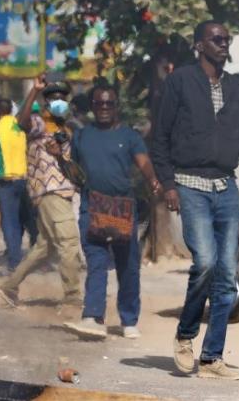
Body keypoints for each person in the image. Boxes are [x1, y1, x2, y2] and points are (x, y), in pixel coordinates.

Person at [152, 21, 239, 380]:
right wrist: (168, 184)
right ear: (199, 45)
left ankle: (212, 357)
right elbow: (161, 135)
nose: (223, 44)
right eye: (217, 39)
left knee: (227, 276)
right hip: (190, 186)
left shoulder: (233, 87)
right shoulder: (180, 82)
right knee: (207, 263)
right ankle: (185, 336)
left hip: (226, 188)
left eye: (226, 40)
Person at [63, 84, 161, 340]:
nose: (104, 108)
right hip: (91, 206)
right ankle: (93, 317)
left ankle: (129, 319)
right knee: (96, 262)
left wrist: (152, 180)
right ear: (93, 107)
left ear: (116, 106)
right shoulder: (82, 136)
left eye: (109, 104)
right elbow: (74, 175)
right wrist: (60, 160)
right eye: (99, 104)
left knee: (128, 264)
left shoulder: (129, 136)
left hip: (121, 209)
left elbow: (144, 162)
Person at [0, 77, 82, 308]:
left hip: (63, 192)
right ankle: (73, 298)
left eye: (62, 97)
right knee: (69, 243)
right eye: (53, 98)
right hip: (49, 191)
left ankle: (9, 286)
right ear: (45, 101)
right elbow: (21, 123)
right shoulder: (39, 123)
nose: (58, 101)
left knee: (44, 249)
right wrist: (34, 92)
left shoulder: (66, 128)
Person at [0, 99, 28, 271]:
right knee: (20, 220)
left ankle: (14, 262)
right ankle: (22, 257)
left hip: (5, 181)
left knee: (9, 222)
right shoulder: (19, 126)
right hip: (22, 180)